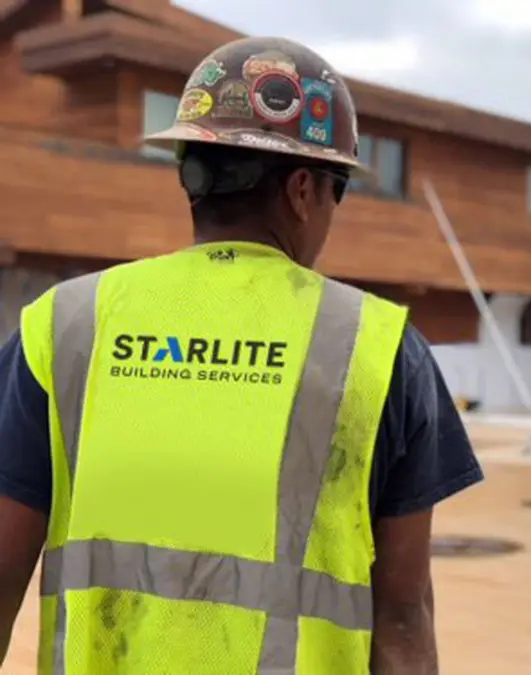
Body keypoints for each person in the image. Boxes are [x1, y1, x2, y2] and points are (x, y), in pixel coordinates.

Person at [0, 36, 484, 674]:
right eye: (340, 193)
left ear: (189, 173)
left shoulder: (63, 327)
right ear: (304, 189)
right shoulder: (380, 349)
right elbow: (402, 614)